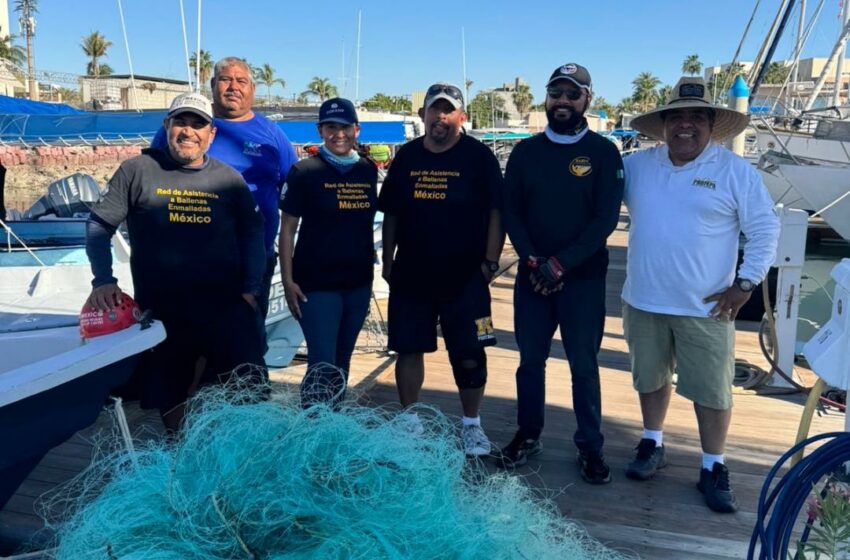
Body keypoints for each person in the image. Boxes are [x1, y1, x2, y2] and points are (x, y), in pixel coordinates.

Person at [621, 76, 780, 512]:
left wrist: (746, 282)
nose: (685, 125)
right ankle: (652, 442)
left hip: (708, 306)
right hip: (643, 298)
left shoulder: (735, 171)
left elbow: (766, 228)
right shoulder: (637, 166)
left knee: (712, 391)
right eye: (677, 117)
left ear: (712, 124)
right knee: (649, 379)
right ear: (663, 124)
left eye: (696, 117)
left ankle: (713, 465)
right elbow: (588, 197)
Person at [86, 92, 268, 431]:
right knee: (172, 391)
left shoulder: (229, 179)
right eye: (180, 122)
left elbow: (253, 234)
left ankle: (240, 456)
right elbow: (99, 225)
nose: (188, 131)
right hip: (164, 307)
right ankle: (179, 451)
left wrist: (252, 289)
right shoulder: (137, 170)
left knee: (248, 387)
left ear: (211, 134)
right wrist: (103, 280)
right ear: (167, 126)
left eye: (198, 124)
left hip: (226, 304)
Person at [497, 63, 624, 484]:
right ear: (546, 99)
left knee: (583, 366)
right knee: (530, 362)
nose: (563, 101)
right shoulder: (525, 152)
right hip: (533, 279)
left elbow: (605, 220)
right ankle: (528, 434)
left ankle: (590, 446)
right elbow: (512, 212)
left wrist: (560, 263)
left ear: (588, 100)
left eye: (573, 94)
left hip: (582, 280)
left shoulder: (605, 153)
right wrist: (534, 260)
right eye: (557, 93)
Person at [378, 82, 504, 456]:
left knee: (470, 352)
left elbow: (498, 212)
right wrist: (387, 261)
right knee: (407, 348)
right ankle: (409, 420)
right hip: (412, 274)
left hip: (467, 279)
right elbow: (392, 214)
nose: (441, 117)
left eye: (449, 110)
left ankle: (472, 426)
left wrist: (491, 261)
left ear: (461, 117)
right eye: (435, 109)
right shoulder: (407, 157)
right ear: (423, 115)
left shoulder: (480, 158)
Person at [152, 57, 298, 327]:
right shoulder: (183, 129)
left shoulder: (273, 134)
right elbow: (150, 182)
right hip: (186, 261)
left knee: (248, 346)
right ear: (213, 85)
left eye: (241, 81)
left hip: (251, 262)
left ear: (252, 89)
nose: (233, 87)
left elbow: (296, 195)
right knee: (188, 345)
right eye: (225, 80)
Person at [279, 98, 378, 407]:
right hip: (317, 284)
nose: (339, 134)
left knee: (342, 362)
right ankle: (312, 431)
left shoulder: (367, 170)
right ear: (320, 130)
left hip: (358, 282)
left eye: (345, 127)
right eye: (331, 127)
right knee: (322, 364)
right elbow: (287, 229)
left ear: (357, 130)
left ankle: (333, 427)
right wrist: (287, 279)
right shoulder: (303, 171)